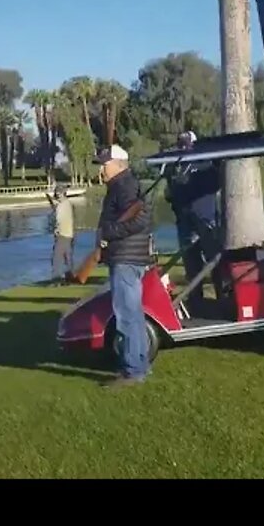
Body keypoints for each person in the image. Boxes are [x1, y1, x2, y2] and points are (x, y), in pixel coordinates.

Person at [94, 144, 154, 387]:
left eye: (104, 165)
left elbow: (140, 219)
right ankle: (139, 365)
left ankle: (133, 370)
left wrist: (110, 231)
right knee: (134, 315)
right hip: (128, 257)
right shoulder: (122, 184)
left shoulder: (124, 185)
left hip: (126, 258)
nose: (101, 170)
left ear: (117, 164)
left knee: (127, 316)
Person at [165, 131, 221, 312]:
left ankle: (223, 296)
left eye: (186, 143)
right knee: (191, 263)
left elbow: (215, 184)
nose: (183, 147)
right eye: (180, 143)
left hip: (206, 219)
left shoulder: (205, 161)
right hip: (184, 220)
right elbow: (170, 192)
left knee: (215, 260)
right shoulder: (173, 166)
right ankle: (196, 302)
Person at [46, 187, 74, 284]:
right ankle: (70, 278)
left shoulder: (62, 205)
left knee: (57, 258)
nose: (57, 196)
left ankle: (56, 279)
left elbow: (58, 219)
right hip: (69, 234)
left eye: (58, 194)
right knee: (68, 257)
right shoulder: (67, 203)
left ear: (62, 194)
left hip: (62, 234)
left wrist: (56, 230)